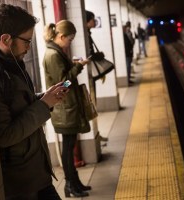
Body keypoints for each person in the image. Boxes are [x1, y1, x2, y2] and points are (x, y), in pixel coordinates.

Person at [0, 4, 67, 200]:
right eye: (26, 42)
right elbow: (5, 135)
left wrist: (43, 97)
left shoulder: (12, 64)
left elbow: (20, 106)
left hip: (37, 171)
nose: (29, 48)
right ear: (6, 39)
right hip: (21, 182)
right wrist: (43, 104)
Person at [43, 20, 91, 198]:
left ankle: (75, 183)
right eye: (69, 40)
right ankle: (70, 184)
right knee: (68, 148)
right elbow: (64, 84)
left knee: (70, 146)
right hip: (64, 109)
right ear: (61, 37)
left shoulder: (56, 52)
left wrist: (73, 64)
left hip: (67, 108)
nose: (70, 43)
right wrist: (78, 67)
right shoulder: (53, 55)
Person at [85, 10, 108, 142]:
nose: (95, 22)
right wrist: (99, 56)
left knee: (93, 105)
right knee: (92, 104)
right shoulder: (53, 55)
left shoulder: (87, 34)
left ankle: (96, 134)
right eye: (93, 19)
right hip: (86, 78)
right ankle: (95, 135)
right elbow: (66, 79)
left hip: (89, 76)